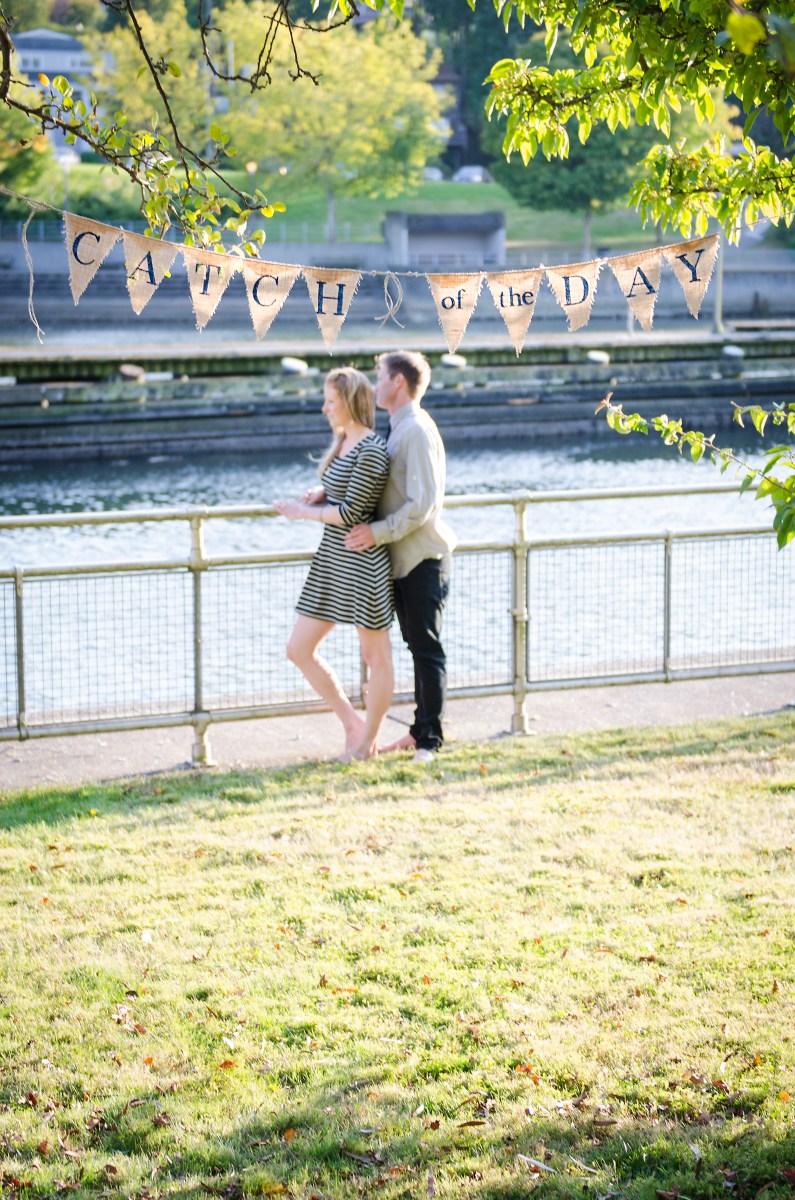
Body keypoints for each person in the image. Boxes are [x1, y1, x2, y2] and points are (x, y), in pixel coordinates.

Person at [274, 367, 394, 762]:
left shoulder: (372, 448)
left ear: (350, 402)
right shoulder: (344, 443)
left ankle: (366, 744)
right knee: (299, 648)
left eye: (331, 401)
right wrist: (322, 492)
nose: (325, 408)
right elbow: (343, 494)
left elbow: (354, 511)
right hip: (332, 562)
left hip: (361, 564)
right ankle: (352, 723)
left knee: (376, 657)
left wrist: (300, 512)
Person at [345, 350, 455, 764]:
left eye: (380, 377)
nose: (374, 385)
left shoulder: (416, 430)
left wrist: (376, 532)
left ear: (399, 383)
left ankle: (430, 741)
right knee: (415, 645)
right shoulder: (398, 429)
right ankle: (418, 730)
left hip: (423, 558)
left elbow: (422, 504)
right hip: (405, 559)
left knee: (426, 649)